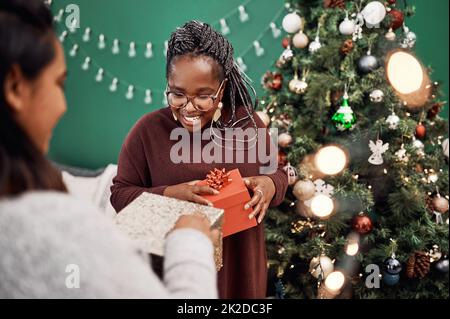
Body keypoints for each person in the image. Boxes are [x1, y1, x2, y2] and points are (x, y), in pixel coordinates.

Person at [0, 0, 217, 298]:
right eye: (58, 83)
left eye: (203, 95)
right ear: (14, 88)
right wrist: (190, 243)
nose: (63, 105)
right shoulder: (56, 229)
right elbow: (120, 192)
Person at [110, 20, 288, 298]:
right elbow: (120, 196)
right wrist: (172, 194)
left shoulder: (248, 125)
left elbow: (278, 174)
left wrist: (269, 185)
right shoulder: (148, 131)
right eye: (177, 94)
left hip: (239, 276)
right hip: (172, 280)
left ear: (222, 87)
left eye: (203, 96)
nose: (188, 107)